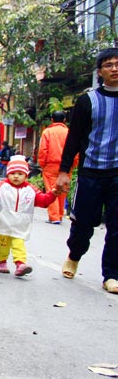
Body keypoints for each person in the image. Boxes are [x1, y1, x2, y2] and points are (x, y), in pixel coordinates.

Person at [56, 47, 118, 294]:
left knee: (116, 227)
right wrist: (64, 171)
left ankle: (111, 274)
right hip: (91, 172)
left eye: (117, 63)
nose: (115, 68)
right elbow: (74, 138)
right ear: (100, 71)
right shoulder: (87, 101)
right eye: (109, 65)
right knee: (83, 225)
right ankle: (74, 253)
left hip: (117, 174)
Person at [0, 156, 60, 277]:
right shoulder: (2, 186)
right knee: (3, 245)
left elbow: (43, 201)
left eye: (20, 173)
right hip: (3, 221)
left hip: (20, 224)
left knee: (18, 244)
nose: (16, 176)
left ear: (26, 175)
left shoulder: (31, 190)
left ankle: (20, 264)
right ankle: (2, 261)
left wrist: (53, 194)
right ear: (8, 174)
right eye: (13, 173)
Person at [38, 111, 75, 224]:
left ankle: (54, 217)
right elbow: (75, 150)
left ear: (52, 120)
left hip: (50, 165)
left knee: (51, 189)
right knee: (62, 190)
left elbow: (43, 150)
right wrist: (73, 165)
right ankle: (59, 214)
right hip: (66, 166)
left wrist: (42, 164)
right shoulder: (69, 132)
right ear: (64, 120)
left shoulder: (47, 132)